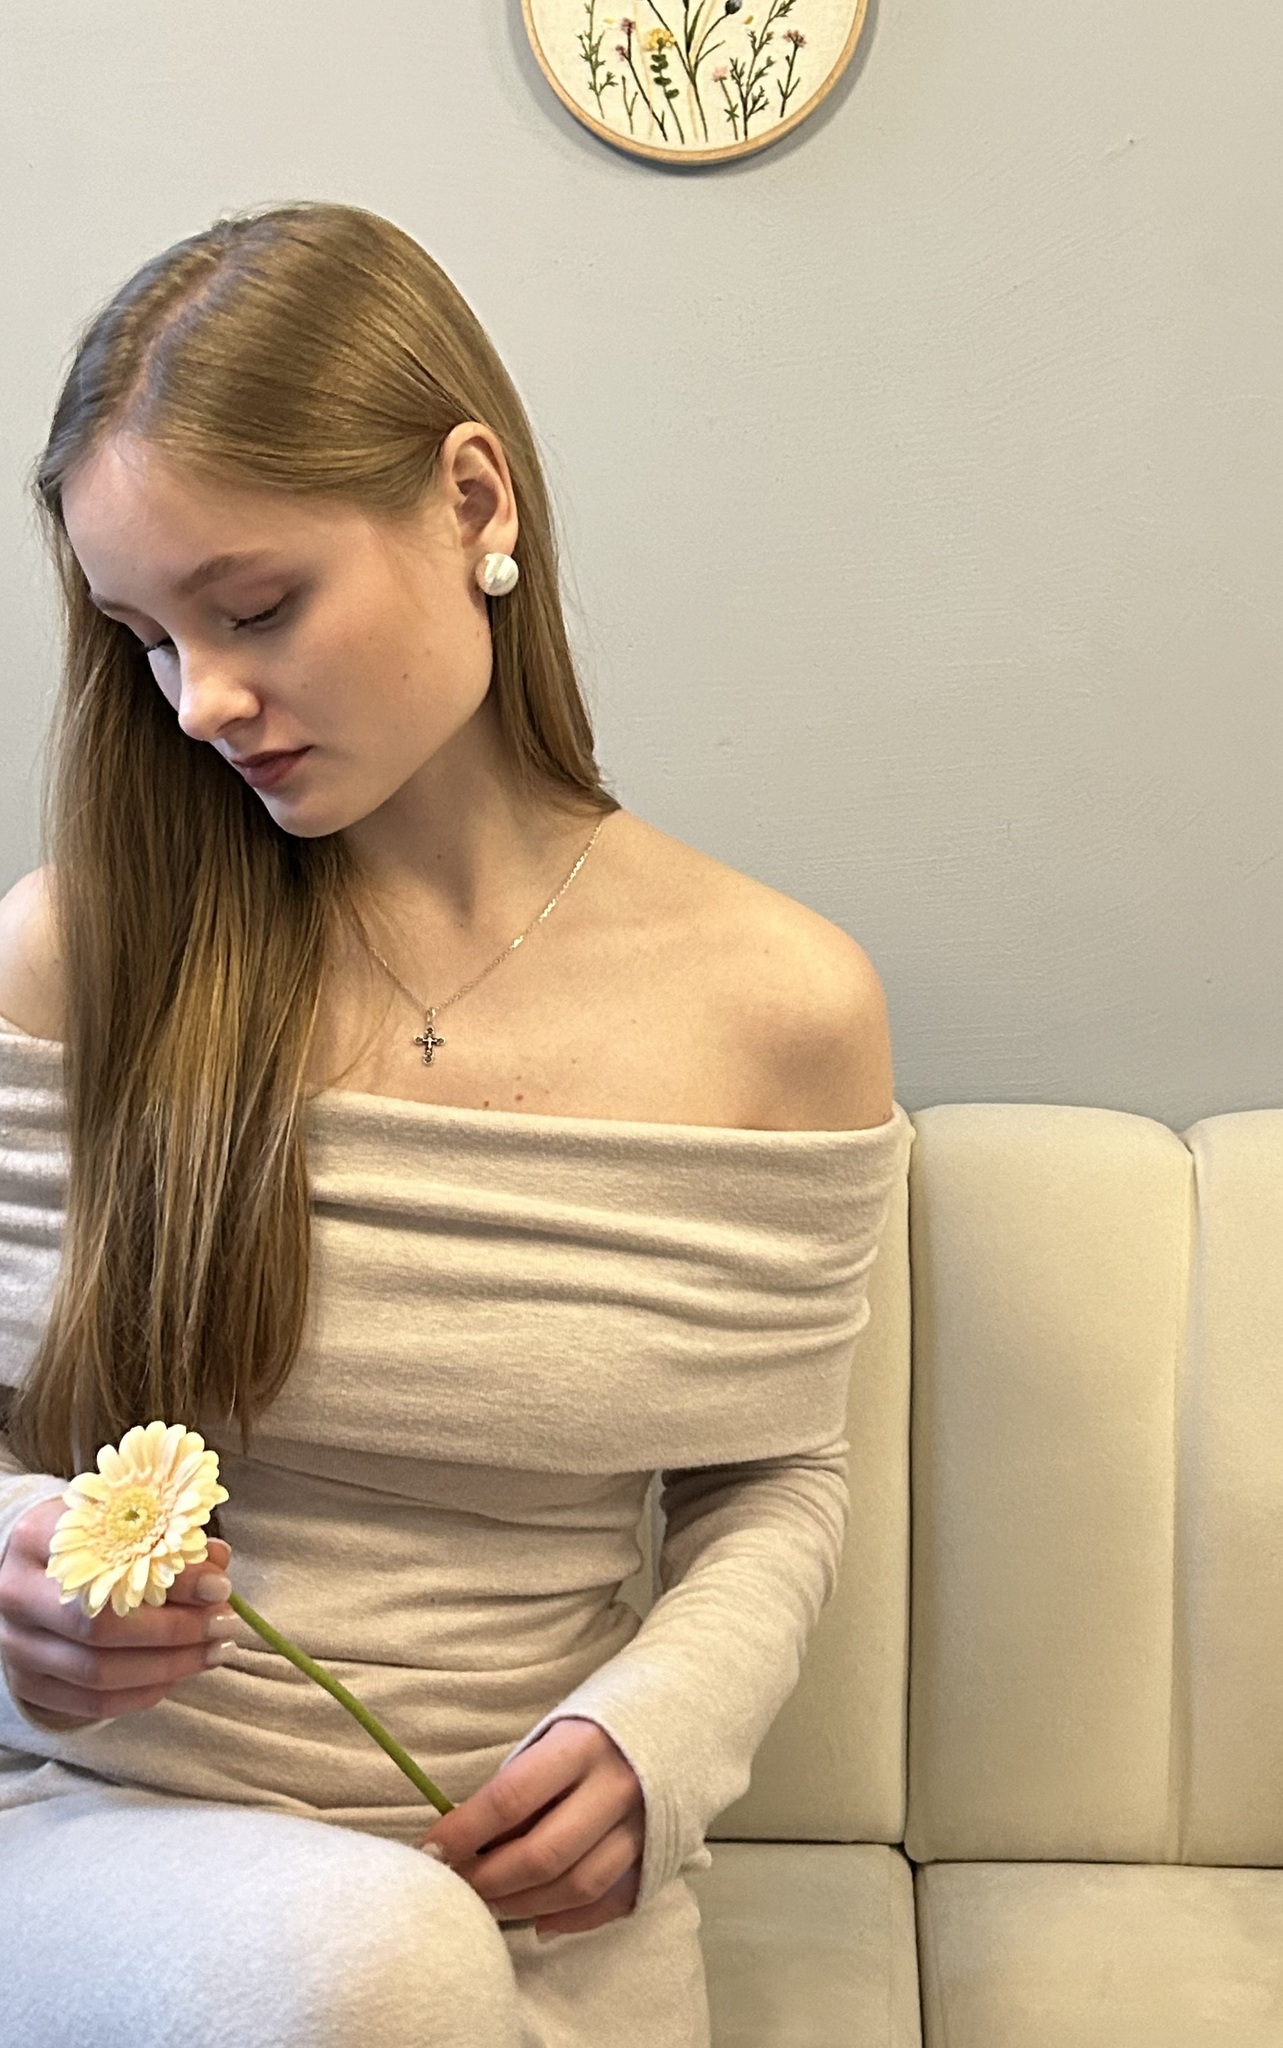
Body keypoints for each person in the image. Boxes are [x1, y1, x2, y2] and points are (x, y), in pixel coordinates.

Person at [0, 200, 909, 2047]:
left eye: (255, 608)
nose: (202, 702)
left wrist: (655, 1741)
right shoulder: (80, 954)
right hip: (116, 1852)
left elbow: (768, 1478)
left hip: (529, 1907)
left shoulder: (780, 1008)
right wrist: (17, 1565)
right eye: (145, 638)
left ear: (472, 500)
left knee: (403, 1969)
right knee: (368, 1966)